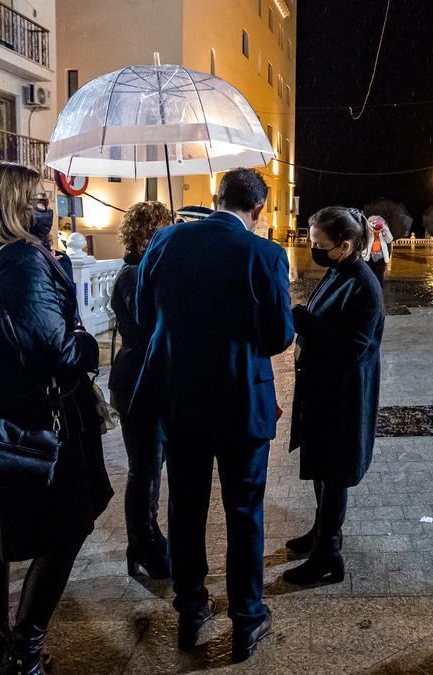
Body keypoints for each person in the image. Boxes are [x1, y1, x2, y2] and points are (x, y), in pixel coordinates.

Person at [0, 160, 112, 674]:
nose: (48, 209)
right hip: (29, 426)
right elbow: (54, 351)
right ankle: (25, 650)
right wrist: (87, 344)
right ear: (8, 206)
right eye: (38, 201)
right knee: (66, 529)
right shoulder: (19, 261)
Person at [133, 168, 293, 662]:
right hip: (242, 402)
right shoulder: (265, 254)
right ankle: (246, 618)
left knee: (186, 508)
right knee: (244, 512)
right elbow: (279, 336)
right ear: (258, 211)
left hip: (180, 401)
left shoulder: (164, 242)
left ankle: (191, 608)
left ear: (215, 198)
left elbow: (142, 316)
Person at [284, 207, 385, 584]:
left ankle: (329, 555)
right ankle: (322, 533)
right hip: (324, 389)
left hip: (343, 395)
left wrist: (305, 322)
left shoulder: (363, 285)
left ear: (344, 246)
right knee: (322, 467)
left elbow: (354, 345)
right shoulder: (338, 270)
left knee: (334, 471)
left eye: (319, 245)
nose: (314, 249)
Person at [109, 200, 174, 580]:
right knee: (145, 467)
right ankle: (144, 542)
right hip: (137, 379)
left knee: (153, 463)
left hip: (148, 376)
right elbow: (147, 322)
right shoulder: (134, 274)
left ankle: (147, 537)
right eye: (162, 231)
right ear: (148, 234)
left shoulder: (146, 270)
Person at [363, 215, 393, 287]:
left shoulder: (383, 232)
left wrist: (385, 229)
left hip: (381, 257)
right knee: (370, 274)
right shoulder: (368, 232)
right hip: (369, 257)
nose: (377, 229)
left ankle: (379, 290)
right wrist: (369, 228)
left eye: (379, 226)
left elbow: (389, 240)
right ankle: (370, 289)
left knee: (379, 275)